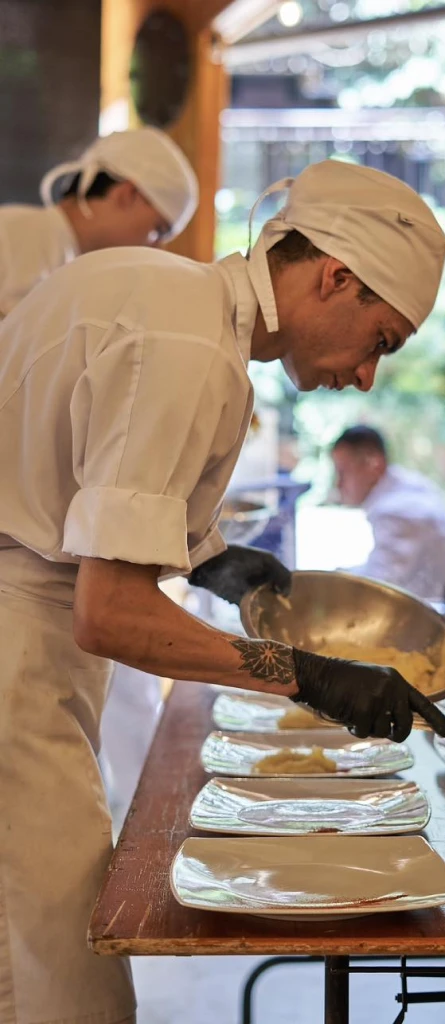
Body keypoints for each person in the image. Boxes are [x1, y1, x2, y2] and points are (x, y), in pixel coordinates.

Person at [0, 159, 445, 1024]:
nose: (365, 377)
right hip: (16, 637)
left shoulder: (170, 294)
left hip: (25, 609)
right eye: (380, 341)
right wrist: (305, 673)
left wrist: (211, 560)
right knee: (61, 977)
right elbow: (110, 613)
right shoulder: (191, 345)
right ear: (336, 276)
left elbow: (83, 475)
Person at [0, 127, 200, 823]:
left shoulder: (54, 252)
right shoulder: (29, 237)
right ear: (123, 193)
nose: (148, 249)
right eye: (153, 230)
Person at [0, 126, 198, 319]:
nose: (158, 248)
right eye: (159, 230)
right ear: (128, 194)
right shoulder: (8, 234)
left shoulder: (83, 276)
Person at [332, 425, 445, 602]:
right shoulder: (406, 489)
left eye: (343, 472)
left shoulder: (398, 511)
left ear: (374, 463)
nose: (338, 484)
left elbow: (377, 587)